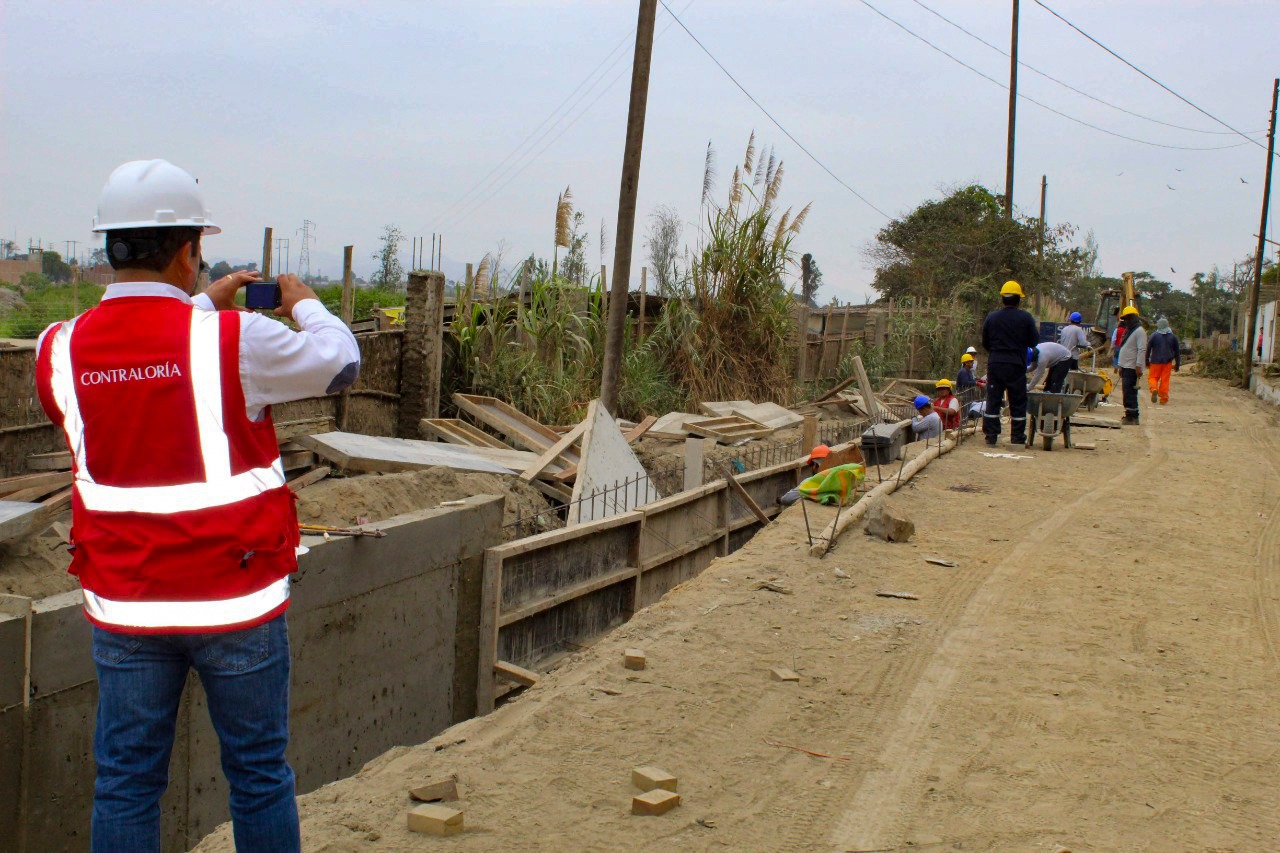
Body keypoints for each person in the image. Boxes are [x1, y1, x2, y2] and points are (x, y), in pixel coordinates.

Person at [35, 159, 361, 851]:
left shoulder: (58, 352)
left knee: (125, 783)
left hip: (127, 608)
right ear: (187, 250)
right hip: (235, 601)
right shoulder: (234, 341)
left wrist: (199, 302)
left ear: (108, 248)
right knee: (259, 777)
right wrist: (304, 301)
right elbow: (340, 363)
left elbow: (143, 365)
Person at [981, 280, 1040, 446]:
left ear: (1002, 299)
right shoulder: (1026, 318)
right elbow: (1034, 341)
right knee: (1018, 401)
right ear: (1018, 299)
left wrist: (996, 352)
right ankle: (1017, 438)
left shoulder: (992, 318)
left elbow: (985, 342)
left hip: (996, 364)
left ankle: (991, 437)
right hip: (1016, 365)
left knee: (993, 400)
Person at [1115, 305, 1147, 424]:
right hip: (1126, 366)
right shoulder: (1130, 331)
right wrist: (1120, 366)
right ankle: (1129, 414)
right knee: (1126, 391)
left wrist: (1138, 366)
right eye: (1125, 319)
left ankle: (1133, 417)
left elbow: (1141, 350)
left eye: (1128, 318)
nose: (1126, 321)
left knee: (1130, 393)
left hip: (1132, 367)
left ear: (1133, 318)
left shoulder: (1139, 332)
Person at [1146, 316, 1181, 404]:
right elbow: (1177, 352)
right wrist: (1177, 364)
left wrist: (1146, 360)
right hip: (1167, 362)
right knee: (1165, 380)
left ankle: (1154, 388)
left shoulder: (1153, 336)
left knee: (1153, 377)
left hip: (1155, 362)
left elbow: (1148, 349)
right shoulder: (1173, 337)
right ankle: (1163, 398)